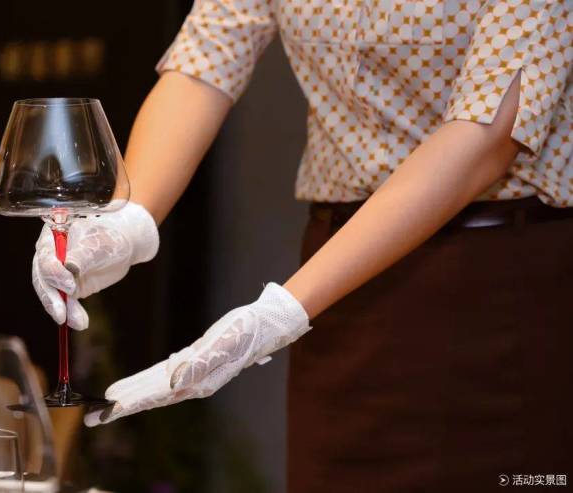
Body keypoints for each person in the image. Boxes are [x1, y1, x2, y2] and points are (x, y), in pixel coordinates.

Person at [32, 0, 572, 490]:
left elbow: (488, 135)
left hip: (501, 283)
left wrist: (278, 315)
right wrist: (128, 221)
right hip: (343, 290)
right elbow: (203, 65)